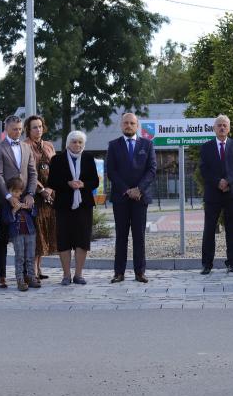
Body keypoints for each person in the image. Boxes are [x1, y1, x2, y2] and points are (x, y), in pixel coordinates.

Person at [106, 112, 157, 283]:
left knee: (139, 236)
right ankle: (118, 273)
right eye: (126, 123)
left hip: (140, 198)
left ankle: (140, 272)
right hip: (121, 197)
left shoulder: (147, 144)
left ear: (137, 126)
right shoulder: (113, 145)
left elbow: (152, 170)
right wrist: (127, 190)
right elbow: (111, 171)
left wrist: (139, 189)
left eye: (132, 123)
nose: (128, 125)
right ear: (121, 125)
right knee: (121, 236)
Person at [0, 115, 38, 289]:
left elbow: (33, 173)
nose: (18, 132)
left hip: (25, 200)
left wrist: (31, 194)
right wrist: (8, 197)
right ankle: (2, 276)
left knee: (26, 238)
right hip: (6, 199)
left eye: (20, 129)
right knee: (3, 239)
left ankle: (27, 275)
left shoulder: (26, 147)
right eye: (14, 129)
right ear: (6, 129)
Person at [48, 130, 100, 286]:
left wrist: (83, 184)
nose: (77, 145)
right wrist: (68, 184)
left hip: (84, 205)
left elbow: (95, 181)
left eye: (80, 142)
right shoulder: (57, 159)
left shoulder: (88, 158)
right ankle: (66, 275)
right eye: (74, 141)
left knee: (82, 240)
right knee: (64, 239)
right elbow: (51, 181)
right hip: (64, 205)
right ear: (68, 143)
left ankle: (78, 274)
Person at [198, 115, 233, 275]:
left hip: (232, 193)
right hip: (213, 194)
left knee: (232, 229)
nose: (222, 127)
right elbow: (204, 169)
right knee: (209, 229)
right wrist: (218, 182)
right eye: (219, 125)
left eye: (225, 125)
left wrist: (228, 181)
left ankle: (232, 262)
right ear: (214, 128)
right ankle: (207, 264)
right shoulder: (206, 147)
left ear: (229, 128)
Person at [24, 115, 58, 281]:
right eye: (34, 127)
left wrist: (51, 188)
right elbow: (27, 172)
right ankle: (32, 270)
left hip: (50, 195)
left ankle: (39, 268)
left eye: (40, 126)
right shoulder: (25, 146)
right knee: (36, 232)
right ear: (28, 130)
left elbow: (56, 168)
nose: (38, 130)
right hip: (34, 194)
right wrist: (41, 189)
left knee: (45, 231)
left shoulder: (49, 145)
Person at [2, 177, 37, 291]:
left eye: (18, 191)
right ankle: (20, 280)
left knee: (30, 256)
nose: (16, 194)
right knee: (20, 257)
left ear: (22, 191)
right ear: (9, 191)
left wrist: (29, 208)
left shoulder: (25, 200)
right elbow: (6, 219)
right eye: (14, 191)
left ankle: (31, 277)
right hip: (17, 233)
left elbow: (35, 213)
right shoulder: (7, 203)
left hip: (30, 232)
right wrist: (14, 210)